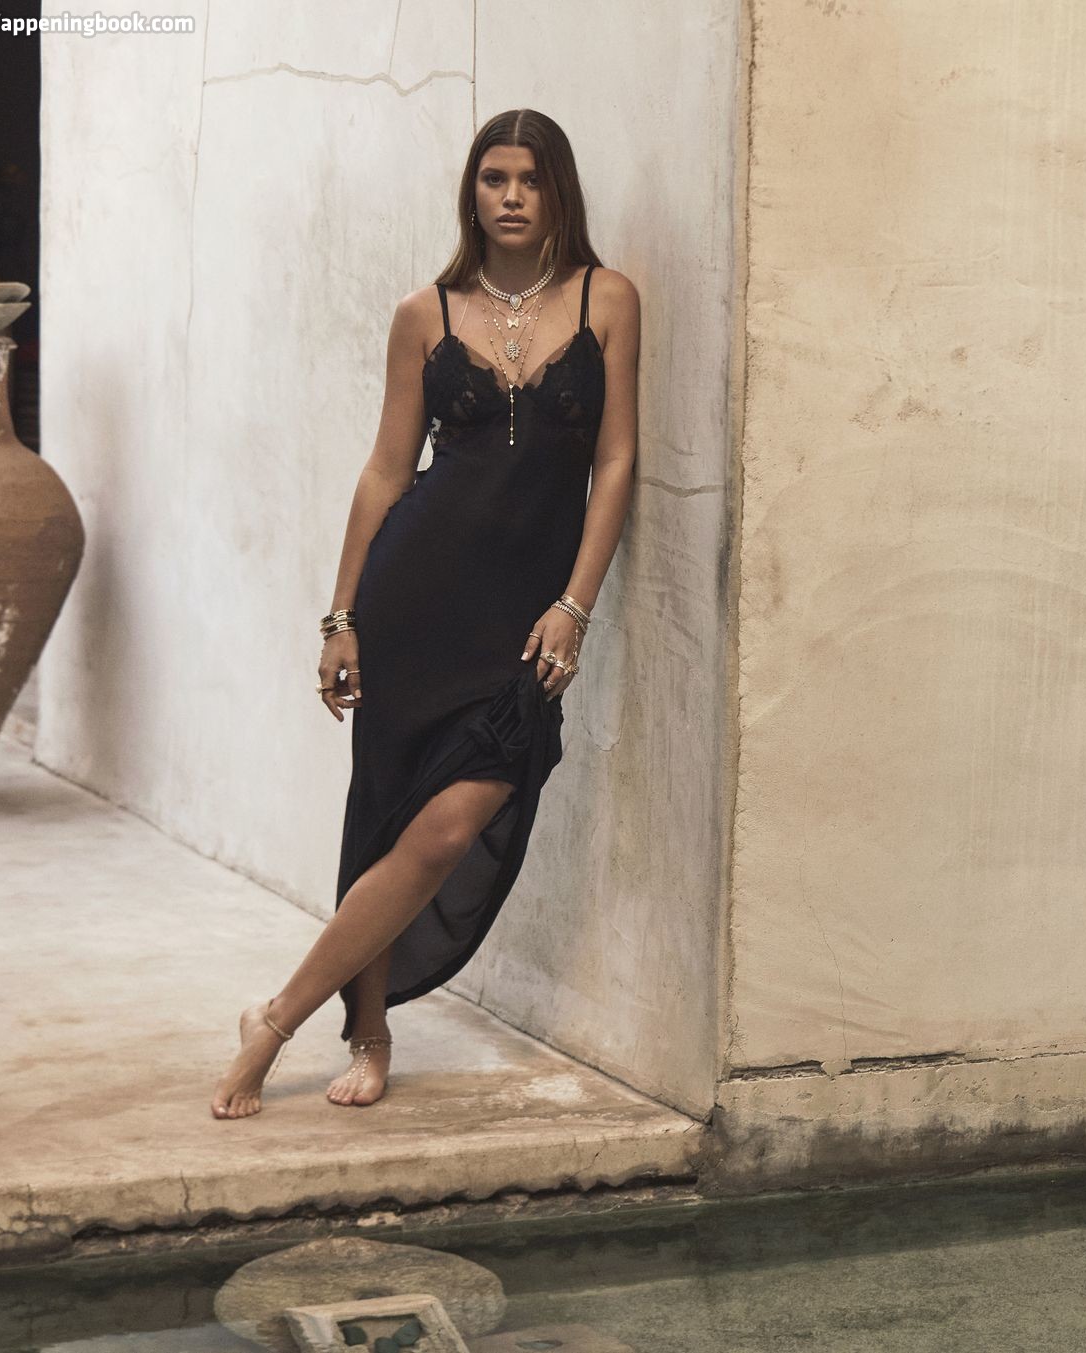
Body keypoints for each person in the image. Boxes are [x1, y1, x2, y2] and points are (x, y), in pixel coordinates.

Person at [209, 109, 640, 1118]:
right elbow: (385, 472)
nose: (512, 196)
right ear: (471, 192)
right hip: (415, 600)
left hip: (523, 617)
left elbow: (616, 462)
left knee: (446, 830)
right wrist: (341, 616)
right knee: (389, 817)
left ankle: (273, 1017)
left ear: (560, 191)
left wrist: (575, 604)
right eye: (494, 178)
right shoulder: (426, 313)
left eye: (530, 178)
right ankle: (366, 1031)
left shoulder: (608, 299)